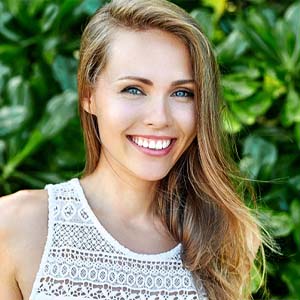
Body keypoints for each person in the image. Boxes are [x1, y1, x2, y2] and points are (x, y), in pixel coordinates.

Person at [0, 0, 263, 299]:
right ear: (89, 95)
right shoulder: (16, 226)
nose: (160, 118)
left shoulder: (226, 242)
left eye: (182, 93)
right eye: (134, 89)